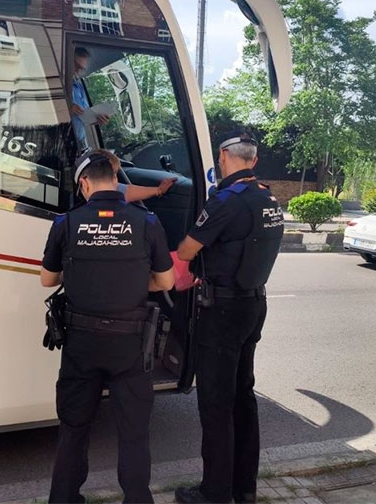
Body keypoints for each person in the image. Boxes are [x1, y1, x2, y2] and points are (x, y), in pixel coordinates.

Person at [40, 151, 175, 504]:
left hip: (81, 345)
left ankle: (64, 499)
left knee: (73, 428)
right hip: (130, 346)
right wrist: (130, 280)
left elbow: (46, 279)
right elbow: (166, 281)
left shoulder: (65, 223)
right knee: (133, 432)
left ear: (84, 183)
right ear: (115, 181)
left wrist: (86, 274)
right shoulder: (148, 223)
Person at [173, 131, 284, 504]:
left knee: (216, 404)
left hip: (221, 311)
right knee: (243, 398)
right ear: (253, 159)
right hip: (253, 307)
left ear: (223, 157)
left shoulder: (226, 200)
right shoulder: (268, 198)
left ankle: (214, 492)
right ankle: (244, 488)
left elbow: (188, 249)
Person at [71, 47, 109, 152]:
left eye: (81, 68)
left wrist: (96, 119)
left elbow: (84, 115)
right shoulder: (54, 81)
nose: (77, 71)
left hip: (80, 143)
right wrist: (67, 108)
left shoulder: (79, 85)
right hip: (60, 141)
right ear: (67, 59)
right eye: (76, 65)